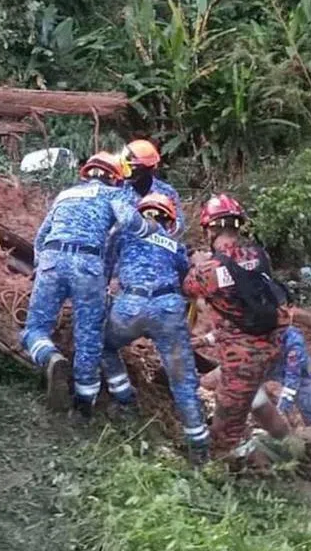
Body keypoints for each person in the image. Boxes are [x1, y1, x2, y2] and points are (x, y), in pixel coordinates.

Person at [21, 152, 162, 418]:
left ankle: (49, 356)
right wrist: (153, 227)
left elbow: (40, 237)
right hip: (87, 265)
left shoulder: (65, 194)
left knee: (34, 329)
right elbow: (130, 222)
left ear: (87, 173)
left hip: (51, 259)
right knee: (89, 335)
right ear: (114, 177)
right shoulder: (115, 195)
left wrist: (42, 267)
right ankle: (83, 405)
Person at [101, 193, 209, 463]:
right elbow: (187, 283)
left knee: (103, 344)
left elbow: (105, 269)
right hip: (169, 310)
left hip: (130, 306)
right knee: (183, 381)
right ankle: (199, 449)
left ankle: (125, 399)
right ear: (169, 219)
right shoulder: (174, 245)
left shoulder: (124, 235)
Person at [182, 193, 288, 455]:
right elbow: (241, 270)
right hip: (272, 344)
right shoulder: (259, 254)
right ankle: (289, 443)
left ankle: (243, 475)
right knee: (249, 395)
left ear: (210, 230)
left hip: (242, 358)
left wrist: (198, 263)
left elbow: (188, 288)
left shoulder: (207, 271)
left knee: (224, 432)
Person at [271, 326, 311, 442]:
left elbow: (293, 374)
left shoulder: (294, 342)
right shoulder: (257, 331)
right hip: (273, 370)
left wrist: (286, 400)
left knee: (308, 410)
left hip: (300, 376)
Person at [122, 139, 185, 232]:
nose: (126, 168)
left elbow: (178, 227)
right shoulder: (118, 190)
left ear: (143, 167)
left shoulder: (167, 192)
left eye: (131, 166)